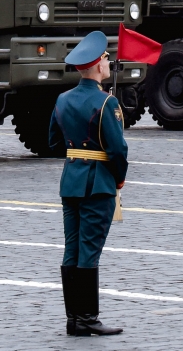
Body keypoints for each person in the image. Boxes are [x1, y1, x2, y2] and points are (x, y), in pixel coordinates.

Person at [47, 30, 127, 338]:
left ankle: (74, 318)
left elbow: (53, 142)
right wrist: (118, 179)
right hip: (98, 185)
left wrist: (78, 151)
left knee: (73, 249)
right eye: (107, 58)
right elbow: (118, 150)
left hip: (71, 183)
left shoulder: (62, 99)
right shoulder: (107, 103)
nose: (109, 62)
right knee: (89, 252)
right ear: (97, 66)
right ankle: (88, 318)